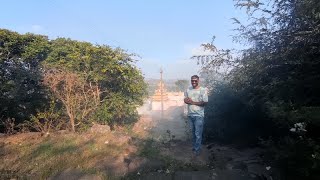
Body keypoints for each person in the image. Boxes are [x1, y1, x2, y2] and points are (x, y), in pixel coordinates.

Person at [184, 75, 208, 156]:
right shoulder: (188, 90)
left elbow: (205, 103)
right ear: (191, 81)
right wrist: (186, 100)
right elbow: (185, 99)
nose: (194, 82)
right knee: (193, 133)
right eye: (192, 80)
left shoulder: (203, 90)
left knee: (198, 134)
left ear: (198, 81)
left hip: (199, 116)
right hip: (190, 115)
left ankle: (197, 151)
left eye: (195, 80)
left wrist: (192, 102)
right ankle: (195, 148)